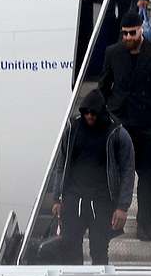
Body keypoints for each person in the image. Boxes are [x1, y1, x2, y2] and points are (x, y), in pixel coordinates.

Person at [98, 9, 151, 241]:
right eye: (124, 34)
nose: (127, 38)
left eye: (131, 33)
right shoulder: (113, 53)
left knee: (146, 176)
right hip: (120, 123)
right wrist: (99, 116)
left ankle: (145, 224)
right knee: (116, 175)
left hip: (146, 123)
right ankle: (114, 223)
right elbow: (104, 88)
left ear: (142, 30)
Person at [52, 88, 135, 265]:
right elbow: (62, 164)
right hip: (74, 199)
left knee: (99, 251)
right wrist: (57, 198)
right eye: (86, 113)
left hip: (102, 201)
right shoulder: (72, 128)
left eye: (93, 113)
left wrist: (122, 206)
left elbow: (128, 170)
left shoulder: (117, 132)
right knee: (70, 248)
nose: (89, 116)